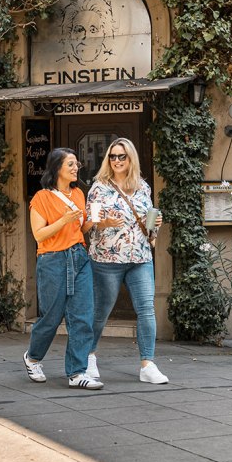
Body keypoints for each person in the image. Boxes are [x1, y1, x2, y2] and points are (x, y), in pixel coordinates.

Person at [85, 138, 168, 384]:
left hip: (140, 257)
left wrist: (156, 225)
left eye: (122, 156)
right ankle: (88, 356)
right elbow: (89, 224)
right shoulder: (99, 188)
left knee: (146, 310)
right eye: (113, 156)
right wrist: (105, 223)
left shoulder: (142, 187)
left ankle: (147, 364)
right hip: (106, 259)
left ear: (131, 159)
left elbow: (147, 223)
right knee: (100, 311)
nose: (117, 161)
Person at [23, 148, 102, 390]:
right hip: (52, 260)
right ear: (57, 168)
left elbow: (80, 229)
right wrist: (63, 220)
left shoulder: (78, 194)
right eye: (70, 164)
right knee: (51, 317)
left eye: (76, 164)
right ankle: (33, 357)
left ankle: (77, 373)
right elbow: (39, 234)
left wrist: (93, 221)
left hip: (79, 257)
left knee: (82, 317)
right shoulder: (41, 198)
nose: (76, 168)